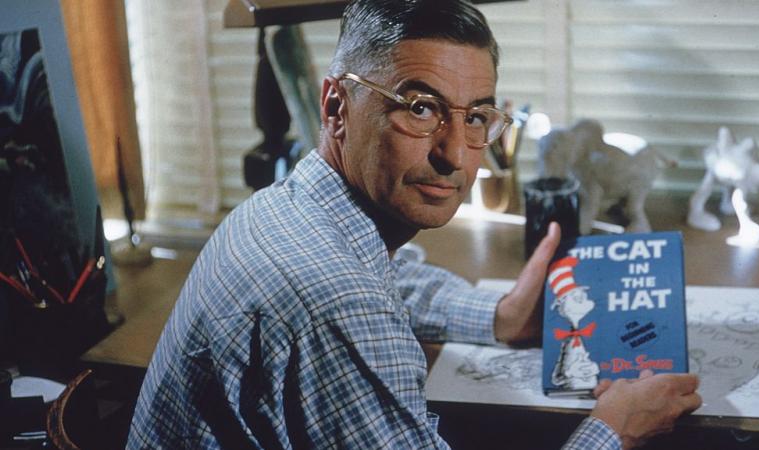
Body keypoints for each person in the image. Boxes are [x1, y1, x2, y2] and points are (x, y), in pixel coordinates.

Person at [127, 1, 701, 448]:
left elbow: (387, 277)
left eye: (476, 117)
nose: (455, 154)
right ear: (336, 107)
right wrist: (614, 430)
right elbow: (351, 303)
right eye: (420, 108)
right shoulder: (336, 303)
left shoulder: (291, 206)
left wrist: (499, 317)